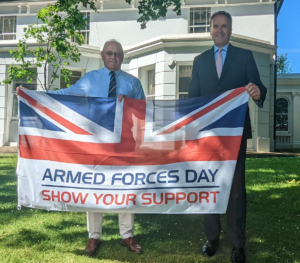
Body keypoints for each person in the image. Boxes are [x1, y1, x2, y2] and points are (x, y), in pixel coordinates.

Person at [17, 39, 145, 257]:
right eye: (108, 53)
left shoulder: (133, 83)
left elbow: (143, 110)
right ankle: (94, 236)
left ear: (122, 57)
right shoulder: (90, 80)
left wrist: (130, 103)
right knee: (95, 186)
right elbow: (66, 95)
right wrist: (33, 94)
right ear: (102, 56)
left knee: (126, 187)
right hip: (95, 143)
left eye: (117, 53)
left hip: (124, 143)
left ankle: (128, 235)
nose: (113, 56)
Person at [188, 11, 267, 263]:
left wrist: (256, 92)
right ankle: (211, 238)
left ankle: (237, 244)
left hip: (235, 134)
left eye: (224, 26)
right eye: (215, 26)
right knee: (209, 185)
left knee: (235, 191)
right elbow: (193, 99)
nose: (220, 30)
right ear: (209, 30)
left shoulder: (244, 57)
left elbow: (259, 88)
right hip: (208, 136)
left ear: (230, 30)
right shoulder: (199, 61)